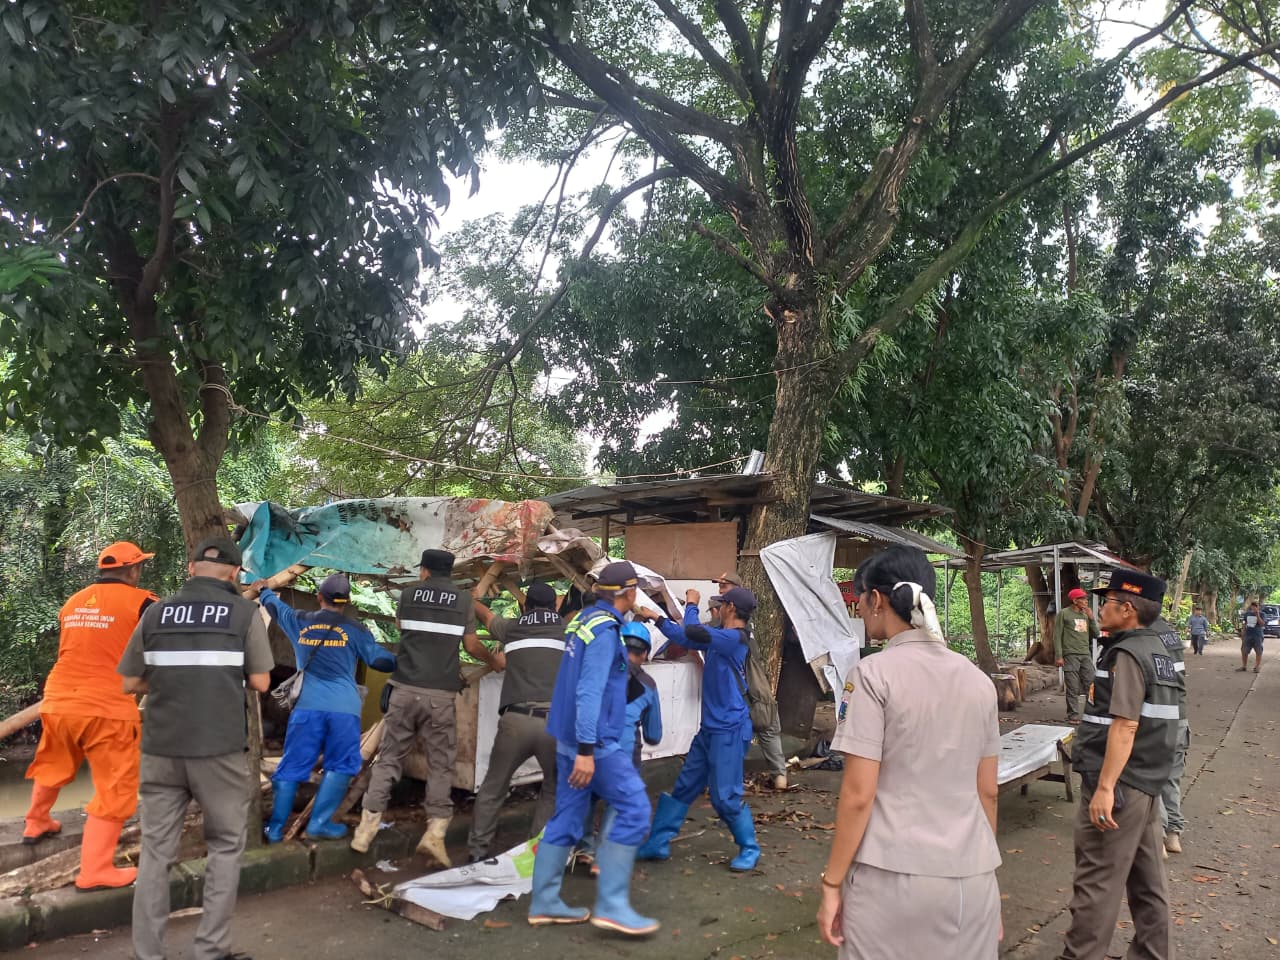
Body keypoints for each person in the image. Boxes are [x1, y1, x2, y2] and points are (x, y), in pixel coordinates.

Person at [815, 545, 1001, 959]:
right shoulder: (978, 681)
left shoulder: (871, 675)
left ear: (876, 600)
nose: (859, 608)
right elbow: (988, 791)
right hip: (973, 880)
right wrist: (987, 881)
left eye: (860, 598)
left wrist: (832, 883)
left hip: (891, 877)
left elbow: (859, 795)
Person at [118, 537, 274, 960]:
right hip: (218, 750)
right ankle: (210, 950)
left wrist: (173, 681)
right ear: (235, 573)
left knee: (155, 853)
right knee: (225, 846)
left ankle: (147, 953)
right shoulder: (243, 612)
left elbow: (130, 682)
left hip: (161, 749)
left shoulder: (156, 612)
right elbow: (261, 682)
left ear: (190, 568)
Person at [527, 560, 658, 936]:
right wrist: (587, 750)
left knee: (567, 818)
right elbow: (589, 691)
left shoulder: (582, 621)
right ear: (629, 593)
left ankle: (544, 902)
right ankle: (613, 907)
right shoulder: (604, 632)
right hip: (595, 744)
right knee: (635, 809)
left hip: (568, 739)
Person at [1058, 567, 1181, 960]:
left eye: (1107, 602)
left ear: (1127, 609)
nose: (1100, 608)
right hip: (1146, 781)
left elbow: (1126, 725)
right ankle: (1153, 952)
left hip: (1121, 784)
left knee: (1096, 880)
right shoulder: (1158, 648)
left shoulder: (1128, 654)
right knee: (1148, 881)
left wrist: (1106, 787)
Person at [351, 549, 504, 863]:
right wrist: (493, 661)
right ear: (450, 572)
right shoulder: (462, 601)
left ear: (424, 571)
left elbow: (401, 627)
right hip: (440, 697)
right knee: (440, 763)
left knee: (389, 759)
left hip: (404, 690)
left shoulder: (408, 595)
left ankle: (365, 830)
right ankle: (435, 833)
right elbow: (472, 646)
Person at [23, 541, 158, 891]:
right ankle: (95, 870)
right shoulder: (144, 602)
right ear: (133, 570)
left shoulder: (73, 602)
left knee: (54, 762)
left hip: (58, 699)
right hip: (106, 706)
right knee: (116, 786)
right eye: (139, 566)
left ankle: (36, 821)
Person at [254, 573, 396, 843]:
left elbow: (274, 605)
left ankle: (275, 829)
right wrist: (407, 660)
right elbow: (380, 661)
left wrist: (263, 590)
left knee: (291, 766)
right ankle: (319, 824)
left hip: (307, 707)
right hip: (344, 709)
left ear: (320, 597)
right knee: (341, 766)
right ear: (347, 601)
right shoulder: (355, 629)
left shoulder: (299, 620)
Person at [635, 586, 759, 872]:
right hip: (710, 728)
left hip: (729, 728)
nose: (718, 609)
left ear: (730, 608)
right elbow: (684, 636)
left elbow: (692, 631)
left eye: (721, 604)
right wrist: (657, 618)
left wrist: (691, 604)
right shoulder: (720, 637)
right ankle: (658, 843)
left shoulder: (734, 638)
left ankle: (749, 847)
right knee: (685, 785)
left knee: (724, 796)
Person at [468, 581, 564, 862]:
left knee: (493, 787)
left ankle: (477, 852)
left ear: (525, 606)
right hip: (554, 723)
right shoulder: (567, 630)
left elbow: (485, 616)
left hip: (515, 721)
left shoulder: (512, 628)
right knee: (553, 788)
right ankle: (537, 856)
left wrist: (470, 599)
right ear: (554, 606)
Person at [578, 622, 663, 869]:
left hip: (587, 747)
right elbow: (654, 735)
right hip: (622, 754)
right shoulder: (648, 685)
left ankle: (584, 848)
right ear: (645, 653)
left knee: (587, 793)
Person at [713, 572, 787, 789]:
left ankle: (772, 777)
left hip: (747, 681)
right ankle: (778, 776)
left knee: (764, 722)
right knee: (766, 723)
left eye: (725, 586)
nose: (720, 589)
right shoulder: (741, 620)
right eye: (719, 585)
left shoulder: (735, 624)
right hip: (750, 681)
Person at [1152, 614, 1189, 858]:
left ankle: (1159, 835)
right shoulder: (1170, 634)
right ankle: (1174, 833)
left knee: (1150, 779)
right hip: (1179, 716)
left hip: (1156, 719)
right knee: (1171, 778)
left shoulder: (1143, 636)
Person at [1054, 587, 1100, 723]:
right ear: (1075, 601)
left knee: (1091, 684)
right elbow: (1057, 636)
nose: (1086, 601)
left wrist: (1092, 619)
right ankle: (1073, 715)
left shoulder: (1085, 615)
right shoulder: (1064, 614)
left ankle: (1091, 714)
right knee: (1072, 687)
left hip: (1085, 654)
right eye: (1083, 599)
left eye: (1086, 599)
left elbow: (1096, 634)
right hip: (1070, 655)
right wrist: (1059, 655)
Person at [1239, 601, 1264, 673]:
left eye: (1256, 606)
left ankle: (1257, 667)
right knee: (1244, 650)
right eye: (1253, 606)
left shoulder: (1262, 614)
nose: (1254, 607)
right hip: (1248, 635)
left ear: (1258, 607)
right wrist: (1243, 632)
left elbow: (1262, 624)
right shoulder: (1247, 614)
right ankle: (1244, 666)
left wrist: (1257, 615)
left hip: (1258, 635)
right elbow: (1244, 623)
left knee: (1258, 651)